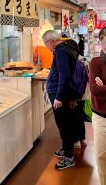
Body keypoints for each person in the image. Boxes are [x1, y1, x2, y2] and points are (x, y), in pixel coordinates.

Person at [43, 30, 80, 170]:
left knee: (64, 125)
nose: (46, 47)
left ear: (51, 41)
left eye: (45, 44)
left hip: (60, 94)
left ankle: (69, 157)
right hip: (64, 93)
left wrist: (58, 96)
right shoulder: (67, 48)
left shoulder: (60, 51)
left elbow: (64, 75)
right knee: (65, 124)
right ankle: (66, 149)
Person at [89, 27, 106, 185]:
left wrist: (104, 86)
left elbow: (101, 89)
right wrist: (99, 88)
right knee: (101, 156)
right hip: (101, 117)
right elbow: (94, 89)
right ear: (100, 42)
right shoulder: (95, 62)